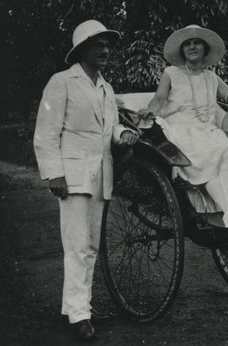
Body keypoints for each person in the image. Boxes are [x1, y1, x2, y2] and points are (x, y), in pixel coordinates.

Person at [33, 20, 138, 341]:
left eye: (107, 45)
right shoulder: (62, 82)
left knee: (91, 246)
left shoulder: (105, 87)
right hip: (74, 174)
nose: (105, 51)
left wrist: (124, 133)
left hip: (101, 175)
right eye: (98, 46)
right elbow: (46, 132)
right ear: (82, 51)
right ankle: (79, 314)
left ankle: (80, 306)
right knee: (76, 244)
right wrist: (55, 173)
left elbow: (110, 128)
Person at [138, 25, 228, 227]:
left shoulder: (211, 77)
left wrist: (227, 119)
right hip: (181, 130)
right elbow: (159, 99)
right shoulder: (171, 73)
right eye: (187, 44)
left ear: (205, 48)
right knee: (207, 158)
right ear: (182, 50)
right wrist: (151, 112)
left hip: (208, 130)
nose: (192, 47)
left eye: (196, 43)